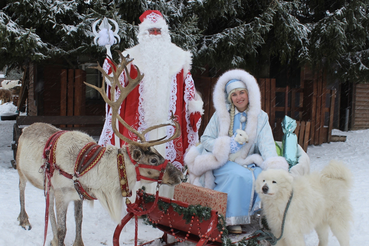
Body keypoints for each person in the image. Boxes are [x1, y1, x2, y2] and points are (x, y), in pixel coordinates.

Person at [99, 10, 203, 197]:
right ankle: (138, 198)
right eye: (151, 31)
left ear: (164, 31)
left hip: (169, 124)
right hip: (139, 124)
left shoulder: (179, 58)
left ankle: (165, 198)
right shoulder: (129, 57)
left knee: (166, 158)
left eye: (158, 30)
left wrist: (194, 108)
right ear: (143, 33)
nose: (155, 35)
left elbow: (188, 88)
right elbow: (117, 85)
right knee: (139, 158)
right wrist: (110, 67)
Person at [184, 69, 288, 234]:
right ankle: (231, 219)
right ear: (229, 97)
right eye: (234, 94)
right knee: (240, 175)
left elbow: (266, 143)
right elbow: (206, 139)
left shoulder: (260, 117)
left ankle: (255, 214)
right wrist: (227, 146)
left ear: (249, 93)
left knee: (262, 174)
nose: (239, 98)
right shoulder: (221, 114)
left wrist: (273, 165)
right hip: (219, 161)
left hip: (245, 161)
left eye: (242, 93)